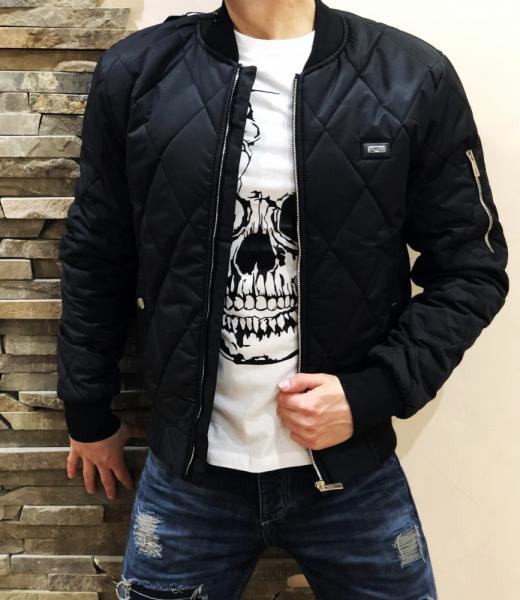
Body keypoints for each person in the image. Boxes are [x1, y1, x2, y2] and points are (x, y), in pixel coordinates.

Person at [56, 1, 509, 598]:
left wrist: (373, 391)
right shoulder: (137, 72)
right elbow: (97, 254)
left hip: (352, 472)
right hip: (189, 474)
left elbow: (472, 267)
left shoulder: (410, 75)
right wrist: (89, 410)